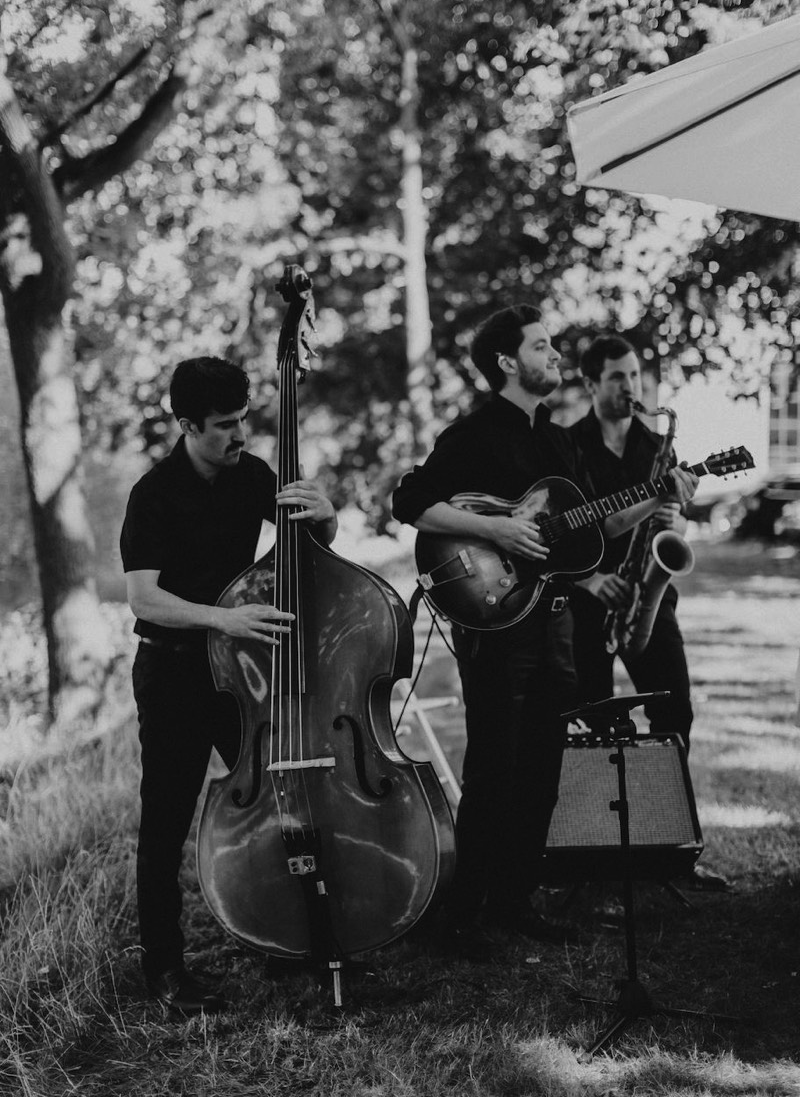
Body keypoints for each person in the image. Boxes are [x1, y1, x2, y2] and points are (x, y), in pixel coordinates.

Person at [392, 307, 699, 957]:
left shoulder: (555, 441)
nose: (556, 354)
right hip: (497, 623)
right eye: (542, 345)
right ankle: (464, 917)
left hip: (553, 622)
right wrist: (496, 530)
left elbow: (598, 528)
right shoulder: (474, 432)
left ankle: (515, 898)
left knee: (543, 767)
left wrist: (655, 495)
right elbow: (410, 500)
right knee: (494, 768)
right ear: (508, 362)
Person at [120, 356, 337, 1014]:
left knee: (280, 797)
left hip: (237, 671)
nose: (239, 436)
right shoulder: (153, 493)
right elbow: (144, 600)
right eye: (222, 426)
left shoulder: (251, 475)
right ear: (186, 424)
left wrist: (325, 516)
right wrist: (223, 616)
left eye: (244, 421)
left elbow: (310, 545)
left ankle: (287, 936)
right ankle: (164, 969)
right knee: (166, 822)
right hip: (174, 670)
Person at [567, 333, 728, 889]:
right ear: (590, 383)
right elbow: (575, 530)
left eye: (635, 375)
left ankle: (674, 858)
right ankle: (596, 860)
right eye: (617, 376)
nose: (630, 387)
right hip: (588, 604)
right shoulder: (569, 447)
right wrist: (591, 577)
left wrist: (673, 519)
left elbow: (673, 525)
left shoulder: (657, 445)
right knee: (592, 726)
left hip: (650, 600)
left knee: (674, 717)